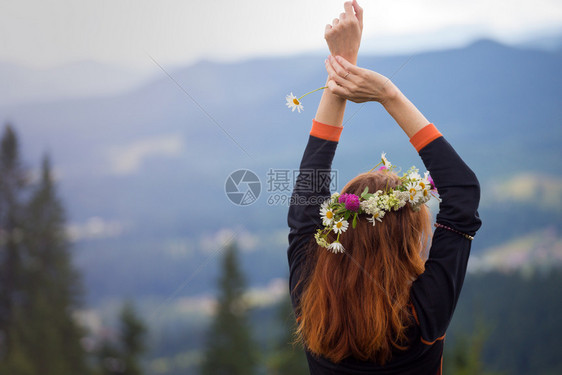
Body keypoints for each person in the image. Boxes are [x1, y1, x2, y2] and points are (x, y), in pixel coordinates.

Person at [287, 1, 482, 374]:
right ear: (406, 242)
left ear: (336, 230)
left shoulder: (311, 302)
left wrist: (340, 72)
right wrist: (387, 94)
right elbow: (462, 193)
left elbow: (305, 206)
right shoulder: (422, 316)